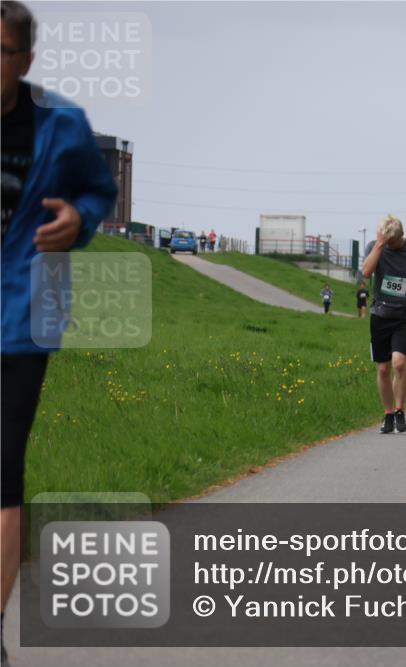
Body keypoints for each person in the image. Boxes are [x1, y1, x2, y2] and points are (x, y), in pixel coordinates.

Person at [1, 3, 118, 664]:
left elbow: (99, 190)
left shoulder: (60, 125)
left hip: (21, 320)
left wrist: (81, 216)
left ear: (23, 60)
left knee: (3, 472)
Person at [361, 215, 406, 434]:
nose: (390, 246)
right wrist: (380, 245)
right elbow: (366, 272)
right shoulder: (375, 247)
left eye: (393, 243)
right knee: (383, 369)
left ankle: (400, 411)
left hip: (404, 316)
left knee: (398, 363)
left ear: (402, 236)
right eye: (386, 242)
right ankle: (388, 414)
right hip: (380, 314)